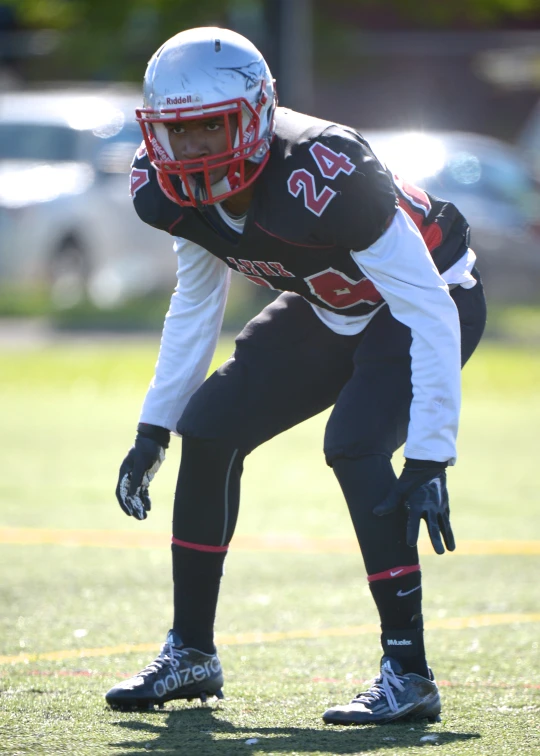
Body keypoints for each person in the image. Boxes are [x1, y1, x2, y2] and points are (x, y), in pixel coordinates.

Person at [105, 27, 487, 725]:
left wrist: (433, 449)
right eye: (177, 134)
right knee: (209, 427)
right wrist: (153, 426)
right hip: (333, 303)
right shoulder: (167, 192)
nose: (193, 153)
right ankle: (191, 651)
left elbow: (427, 305)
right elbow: (196, 300)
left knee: (355, 442)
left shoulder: (328, 173)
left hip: (430, 297)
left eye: (210, 129)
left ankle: (408, 671)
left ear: (254, 115)